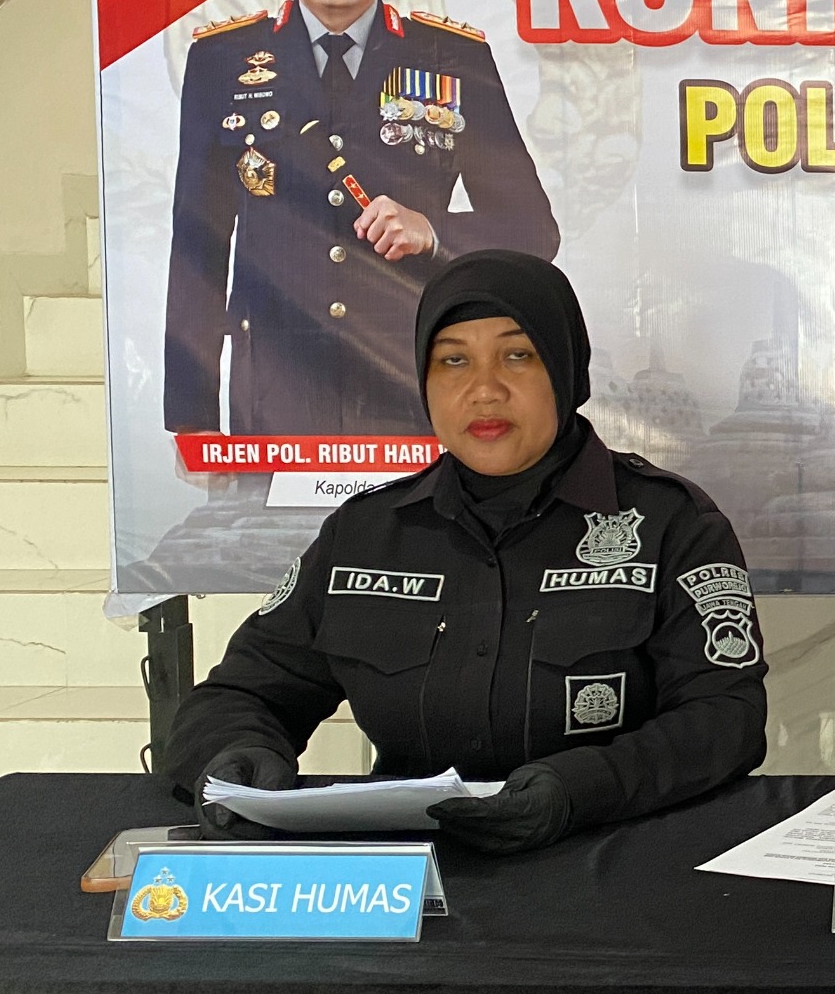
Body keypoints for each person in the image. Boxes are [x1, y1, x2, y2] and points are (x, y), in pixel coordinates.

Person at [162, 251, 768, 853]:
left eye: (517, 356)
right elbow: (241, 693)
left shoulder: (671, 524)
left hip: (609, 866)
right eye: (453, 360)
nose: (484, 390)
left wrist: (581, 789)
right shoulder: (367, 533)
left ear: (566, 369)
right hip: (409, 880)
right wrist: (238, 756)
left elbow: (725, 717)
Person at [164, 0, 560, 438]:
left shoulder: (452, 60)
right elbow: (198, 249)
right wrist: (193, 423)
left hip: (413, 385)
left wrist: (433, 231)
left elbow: (533, 230)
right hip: (274, 392)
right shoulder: (222, 62)